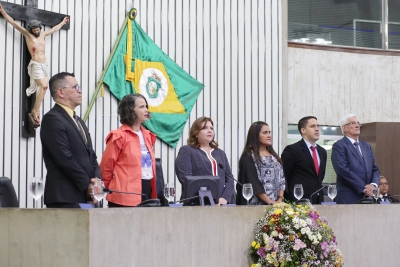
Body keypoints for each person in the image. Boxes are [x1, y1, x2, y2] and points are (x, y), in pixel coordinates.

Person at [0, 4, 69, 132]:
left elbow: (54, 29)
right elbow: (14, 24)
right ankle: (36, 111)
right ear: (31, 29)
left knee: (44, 88)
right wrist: (3, 11)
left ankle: (35, 110)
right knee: (43, 86)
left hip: (44, 65)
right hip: (36, 65)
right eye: (35, 30)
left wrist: (63, 22)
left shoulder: (42, 35)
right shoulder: (27, 34)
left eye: (38, 29)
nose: (36, 31)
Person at [40, 72, 100, 208]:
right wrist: (87, 185)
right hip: (66, 196)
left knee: (91, 229)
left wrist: (96, 180)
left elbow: (92, 156)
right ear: (61, 92)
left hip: (88, 196)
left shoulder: (78, 121)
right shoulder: (53, 119)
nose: (80, 91)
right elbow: (64, 158)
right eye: (75, 87)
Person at [100, 94, 157, 207]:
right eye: (141, 107)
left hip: (147, 187)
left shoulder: (148, 135)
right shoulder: (118, 136)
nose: (146, 110)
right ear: (130, 110)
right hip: (124, 193)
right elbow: (106, 167)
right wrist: (104, 190)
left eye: (146, 106)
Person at [175, 117, 234, 205]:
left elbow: (229, 178)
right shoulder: (187, 151)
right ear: (196, 133)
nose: (210, 131)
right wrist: (208, 197)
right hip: (196, 203)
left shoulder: (220, 153)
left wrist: (224, 198)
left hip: (222, 204)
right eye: (205, 128)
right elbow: (186, 178)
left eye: (211, 128)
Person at [331, 114, 380, 204]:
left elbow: (375, 169)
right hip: (349, 197)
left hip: (369, 197)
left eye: (358, 123)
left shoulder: (367, 146)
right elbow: (343, 171)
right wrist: (364, 189)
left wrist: (373, 185)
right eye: (352, 123)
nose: (357, 126)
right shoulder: (339, 146)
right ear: (344, 128)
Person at [236, 121, 285, 205]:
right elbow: (252, 181)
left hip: (277, 205)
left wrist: (280, 199)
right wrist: (269, 201)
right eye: (265, 133)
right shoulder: (248, 157)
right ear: (255, 136)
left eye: (269, 132)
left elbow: (282, 179)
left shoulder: (274, 156)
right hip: (257, 206)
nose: (269, 135)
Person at [281, 116, 327, 204]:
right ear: (303, 130)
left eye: (318, 126)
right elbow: (283, 177)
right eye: (313, 126)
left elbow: (319, 177)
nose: (317, 129)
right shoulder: (292, 150)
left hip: (318, 200)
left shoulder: (322, 151)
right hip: (298, 200)